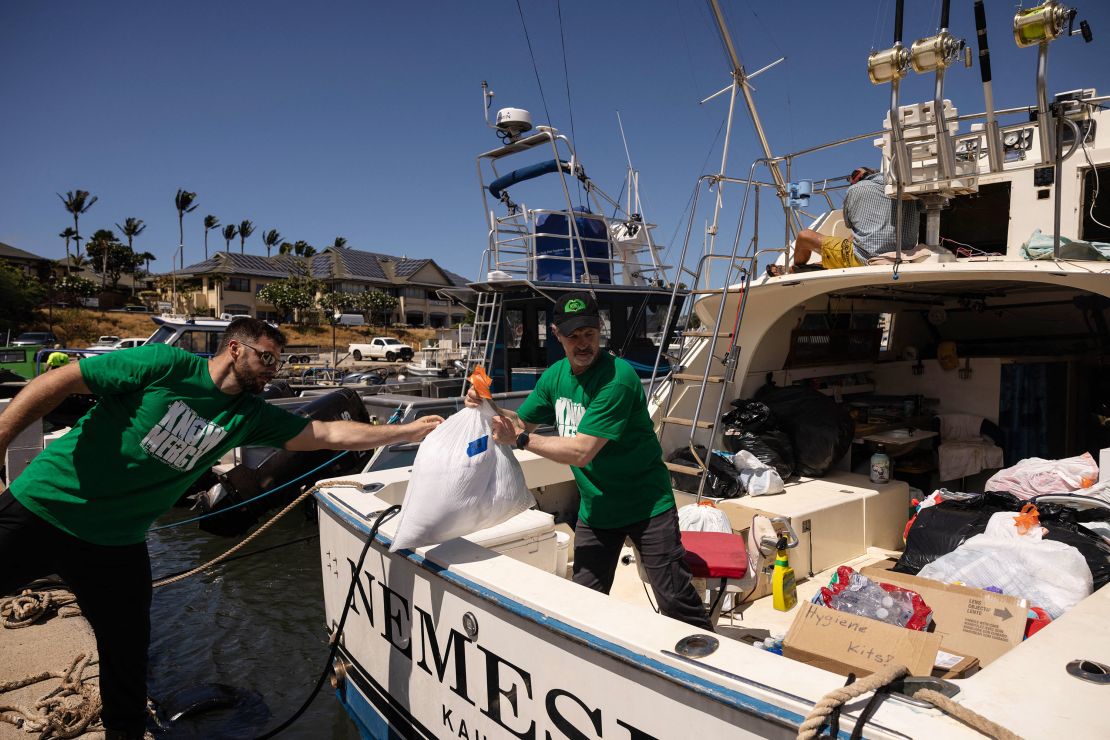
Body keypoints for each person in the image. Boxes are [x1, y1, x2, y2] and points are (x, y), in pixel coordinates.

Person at [0, 318, 441, 739]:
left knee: (128, 653)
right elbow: (55, 382)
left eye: (279, 363)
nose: (274, 370)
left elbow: (327, 432)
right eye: (268, 358)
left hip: (116, 542)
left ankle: (124, 733)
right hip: (44, 507)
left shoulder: (248, 415)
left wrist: (405, 432)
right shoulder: (164, 365)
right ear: (235, 349)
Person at [465, 292, 713, 632]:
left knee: (674, 597)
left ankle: (712, 660)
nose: (583, 344)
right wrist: (487, 405)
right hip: (596, 510)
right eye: (573, 336)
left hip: (647, 506)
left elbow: (581, 451)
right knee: (585, 598)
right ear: (556, 335)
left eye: (589, 334)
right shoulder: (555, 376)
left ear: (600, 330)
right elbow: (521, 424)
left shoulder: (618, 379)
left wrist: (520, 440)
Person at [770, 166, 922, 274]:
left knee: (804, 237)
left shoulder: (855, 190)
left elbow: (849, 223)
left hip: (865, 258)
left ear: (855, 179)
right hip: (904, 253)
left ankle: (796, 269)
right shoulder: (905, 186)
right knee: (854, 238)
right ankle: (821, 264)